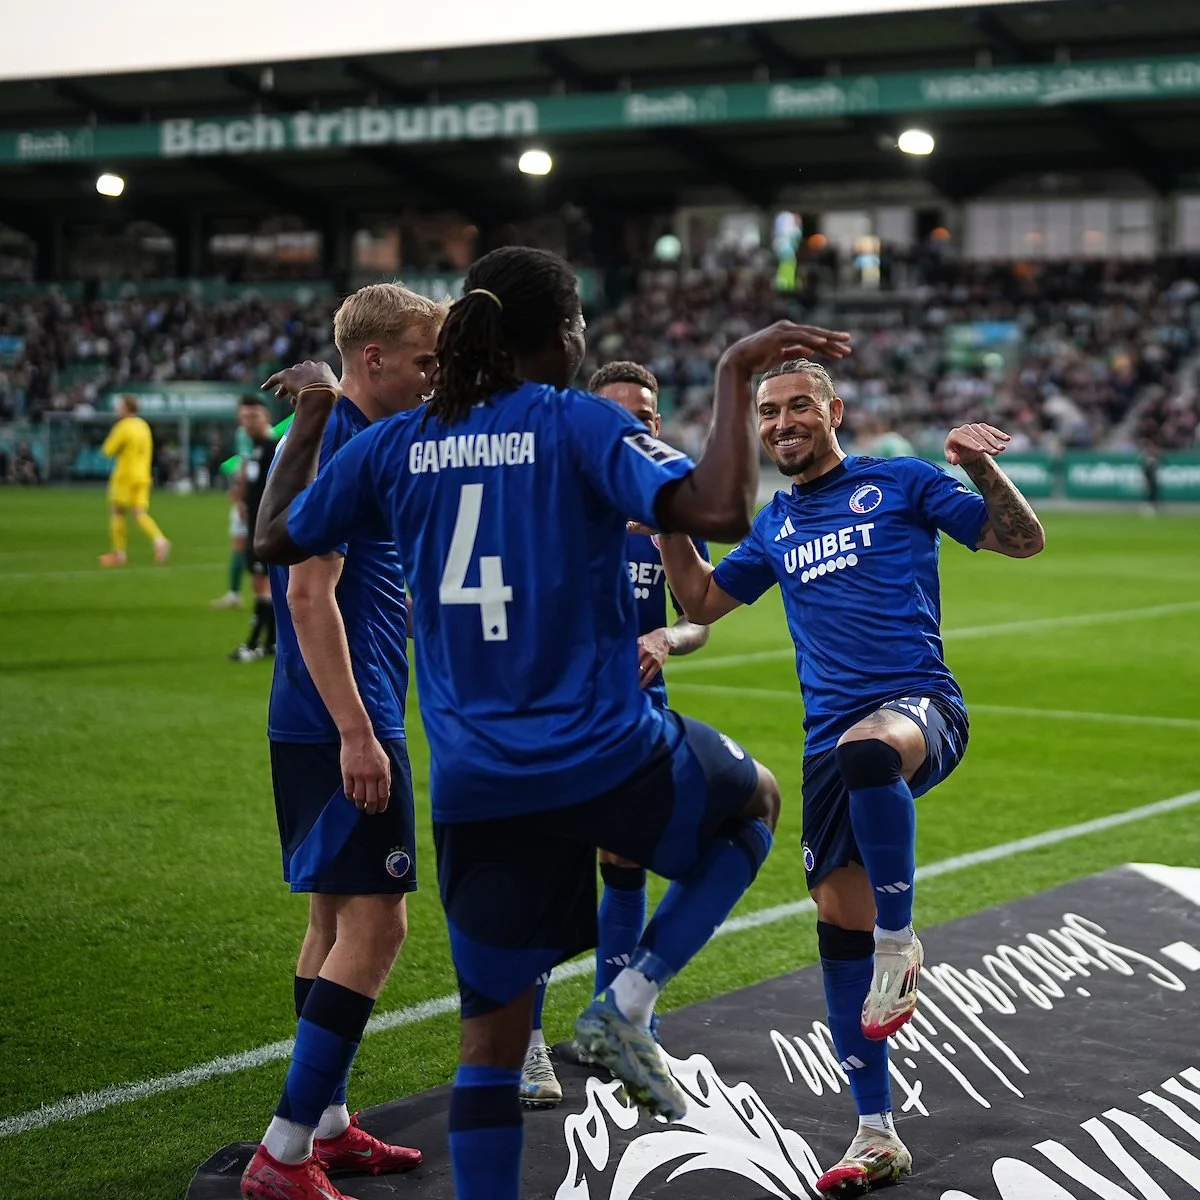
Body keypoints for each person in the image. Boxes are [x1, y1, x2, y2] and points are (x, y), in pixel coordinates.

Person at [254, 246, 852, 1200]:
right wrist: (736, 373)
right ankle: (628, 1002)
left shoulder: (395, 441)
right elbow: (721, 509)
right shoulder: (572, 423)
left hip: (478, 787)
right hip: (604, 752)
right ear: (564, 335)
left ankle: (316, 1147)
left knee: (488, 1050)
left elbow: (276, 540)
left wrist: (314, 415)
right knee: (753, 805)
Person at [653, 357, 1045, 1197]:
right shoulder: (775, 524)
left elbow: (1021, 539)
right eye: (769, 413)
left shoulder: (899, 482)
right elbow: (702, 603)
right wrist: (664, 515)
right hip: (828, 744)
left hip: (918, 708)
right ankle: (875, 1133)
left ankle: (901, 945)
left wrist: (978, 465)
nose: (783, 422)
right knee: (836, 927)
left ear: (834, 411)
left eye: (800, 406)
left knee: (869, 752)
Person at [237, 283, 445, 1200]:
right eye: (424, 360)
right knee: (379, 923)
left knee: (329, 920)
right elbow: (305, 593)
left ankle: (326, 1127)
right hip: (344, 721)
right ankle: (283, 1156)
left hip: (322, 715)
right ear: (374, 360)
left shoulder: (348, 436)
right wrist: (361, 734)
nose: (435, 377)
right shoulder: (340, 444)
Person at [520, 360, 712, 1109]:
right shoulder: (550, 505)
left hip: (640, 716)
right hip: (560, 720)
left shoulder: (667, 514)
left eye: (647, 414)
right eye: (619, 413)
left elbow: (701, 612)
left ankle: (613, 1026)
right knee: (548, 874)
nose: (636, 426)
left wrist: (666, 637)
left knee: (627, 861)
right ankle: (529, 1046)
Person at [228, 398, 280, 661]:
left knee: (264, 587)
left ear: (266, 416)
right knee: (261, 585)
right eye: (244, 417)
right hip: (256, 525)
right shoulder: (257, 449)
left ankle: (253, 645)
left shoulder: (273, 447)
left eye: (254, 416)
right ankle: (270, 644)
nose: (248, 422)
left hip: (267, 527)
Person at [98, 396, 170, 566]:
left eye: (120, 406)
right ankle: (159, 541)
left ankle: (119, 554)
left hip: (125, 475)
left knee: (117, 511)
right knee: (139, 513)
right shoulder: (144, 426)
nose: (117, 409)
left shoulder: (123, 426)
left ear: (126, 408)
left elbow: (107, 451)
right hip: (143, 475)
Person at [211, 420, 255, 609]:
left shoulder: (244, 433)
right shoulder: (266, 436)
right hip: (261, 496)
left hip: (251, 499)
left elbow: (245, 465)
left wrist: (240, 497)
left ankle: (236, 595)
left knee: (240, 545)